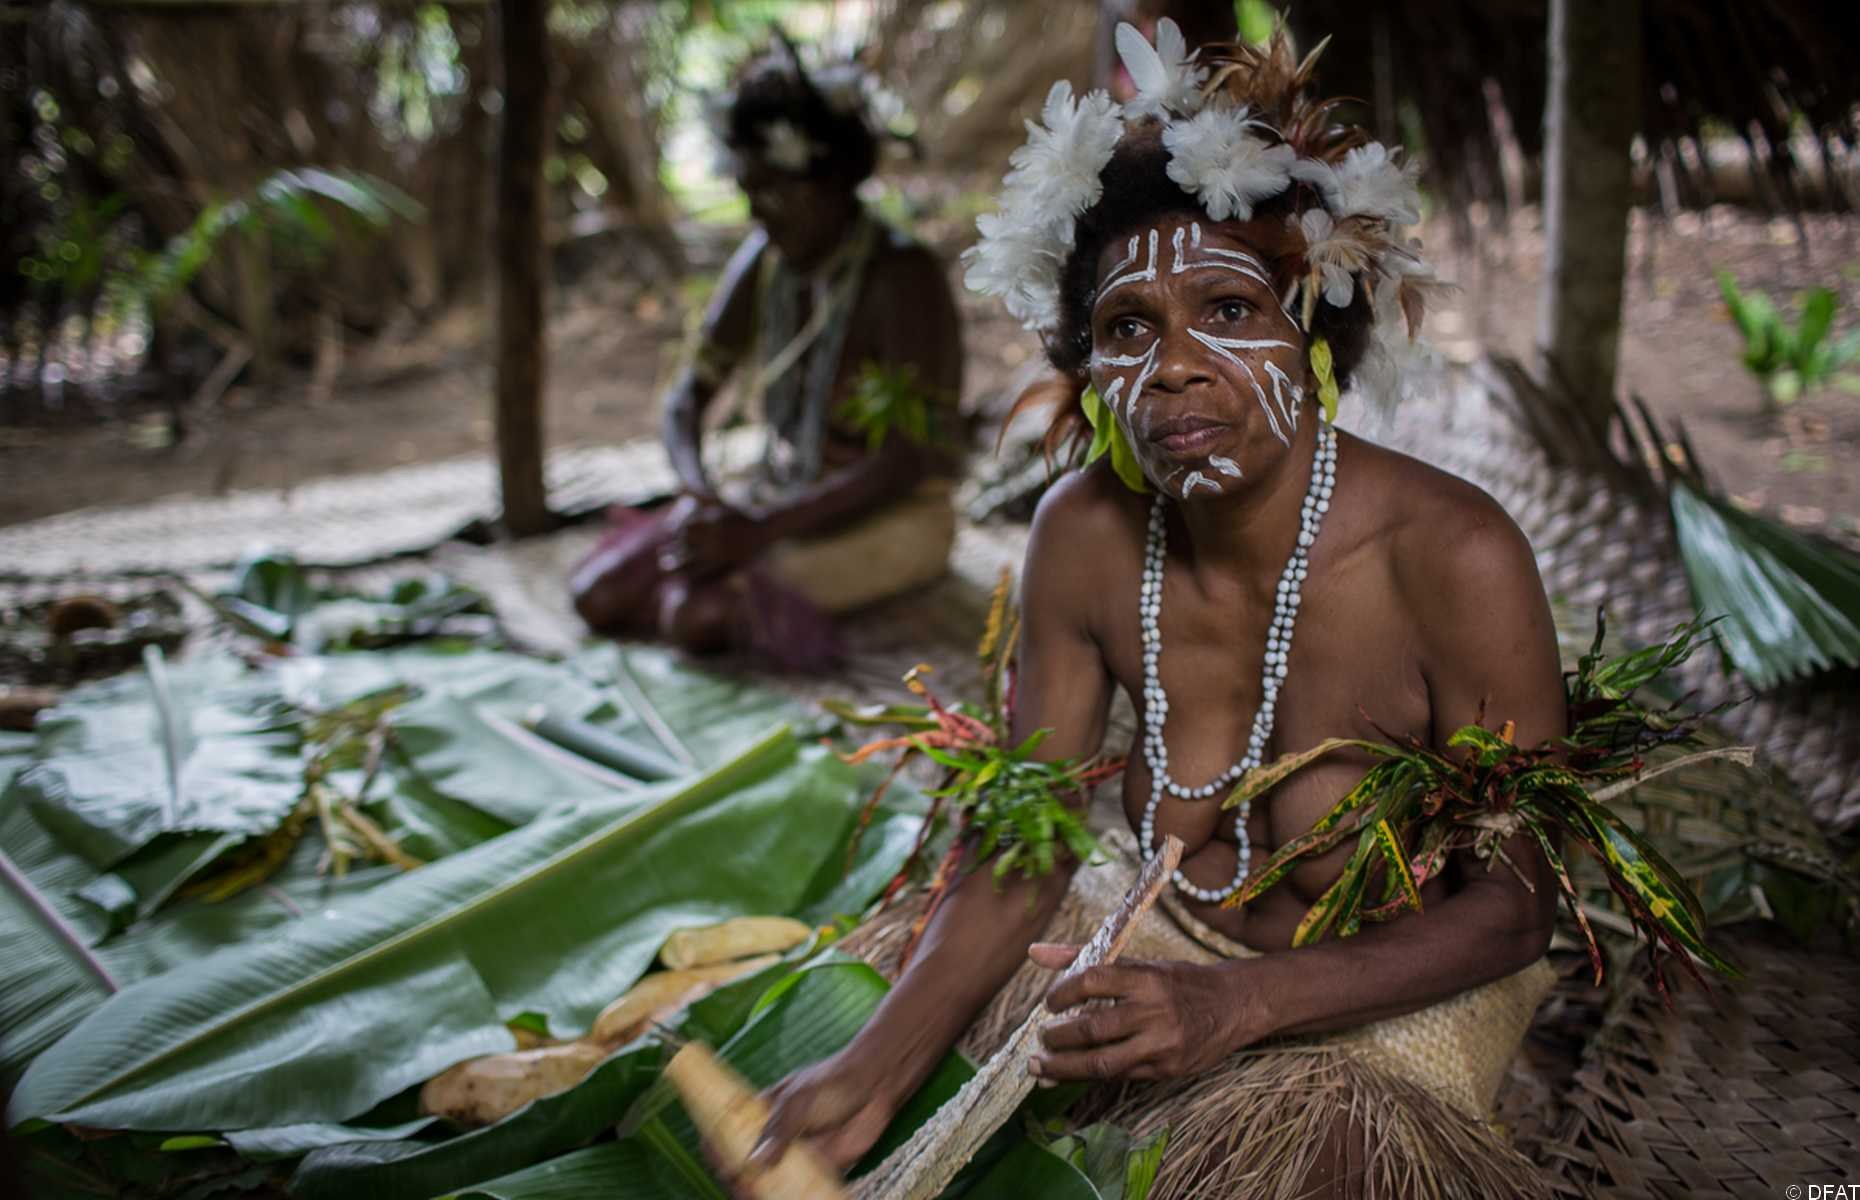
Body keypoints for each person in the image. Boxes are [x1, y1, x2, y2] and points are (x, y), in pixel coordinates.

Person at [750, 23, 1563, 1199]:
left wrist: (1241, 1006)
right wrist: (871, 1072)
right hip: (1174, 941)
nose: (1173, 367)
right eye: (1129, 330)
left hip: (1387, 999)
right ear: (1091, 371)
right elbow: (1028, 840)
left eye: (1229, 311)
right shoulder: (1082, 538)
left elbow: (1515, 905)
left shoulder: (1453, 555)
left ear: (1316, 342)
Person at [569, 40, 963, 669]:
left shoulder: (901, 276)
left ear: (834, 182)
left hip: (894, 518)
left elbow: (907, 461)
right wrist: (699, 493)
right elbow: (686, 399)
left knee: (694, 614)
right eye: (751, 193)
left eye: (778, 193)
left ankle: (709, 599)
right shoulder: (767, 257)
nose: (761, 214)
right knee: (597, 592)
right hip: (776, 498)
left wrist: (760, 530)